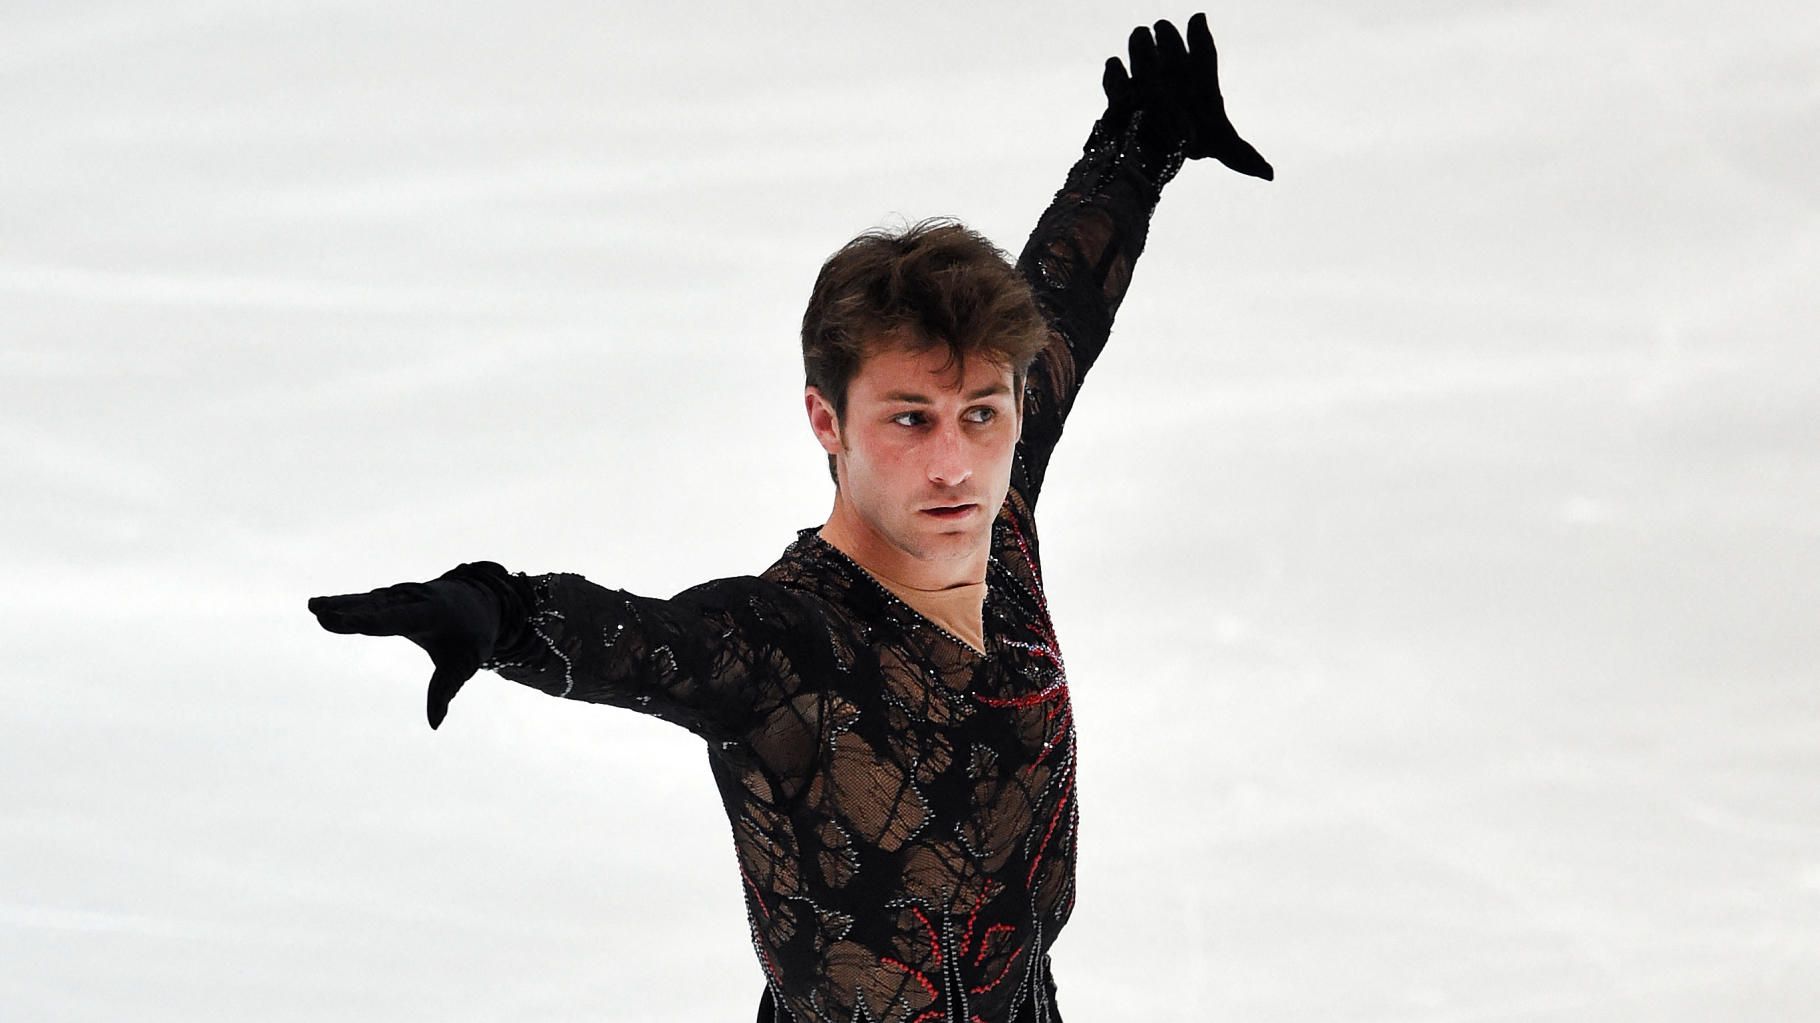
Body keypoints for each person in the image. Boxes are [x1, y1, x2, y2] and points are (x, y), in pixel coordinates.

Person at [308, 13, 1271, 1022]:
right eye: (908, 419)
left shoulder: (994, 501)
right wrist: (495, 610)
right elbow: (649, 643)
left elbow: (1060, 297)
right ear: (828, 420)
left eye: (980, 414)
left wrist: (1136, 147)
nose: (954, 462)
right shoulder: (785, 646)